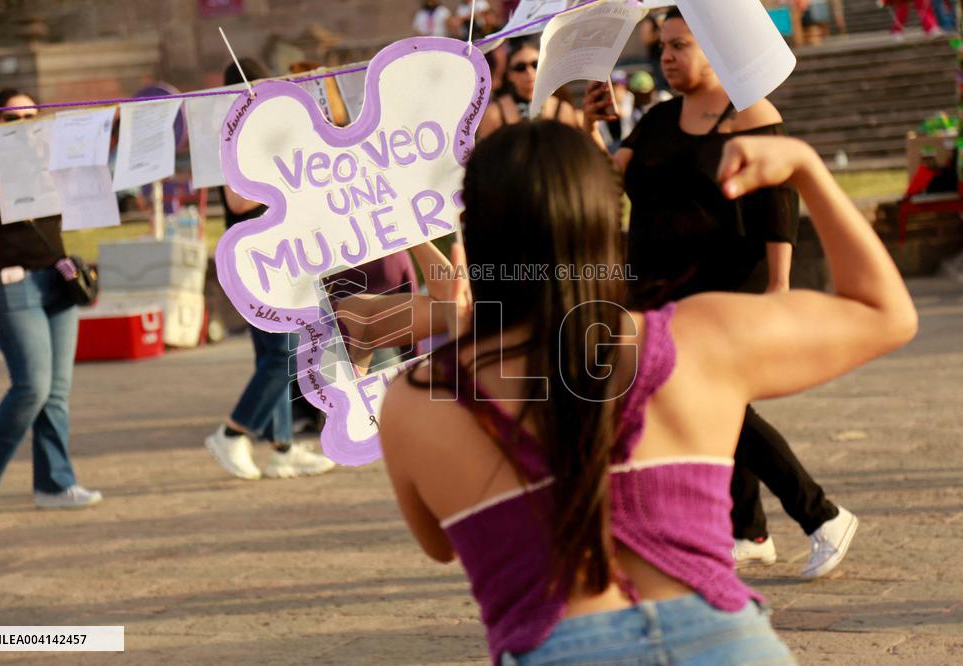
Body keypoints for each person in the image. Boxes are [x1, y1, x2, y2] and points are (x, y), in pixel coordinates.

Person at [378, 120, 916, 664]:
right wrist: (805, 168)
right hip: (730, 645)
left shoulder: (418, 400)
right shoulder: (699, 337)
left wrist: (466, 326)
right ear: (609, 226)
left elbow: (441, 542)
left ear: (476, 235)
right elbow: (885, 313)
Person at [582, 8, 858, 578]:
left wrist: (779, 286)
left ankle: (821, 515)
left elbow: (779, 204)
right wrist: (590, 125)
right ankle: (749, 529)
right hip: (656, 282)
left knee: (718, 398)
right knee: (719, 402)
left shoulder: (750, 114)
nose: (668, 57)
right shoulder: (657, 120)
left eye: (681, 45)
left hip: (728, 278)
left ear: (714, 48)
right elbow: (604, 181)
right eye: (662, 47)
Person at [0, 90, 103, 516]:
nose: (23, 123)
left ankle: (54, 484)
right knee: (33, 386)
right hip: (9, 285)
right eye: (11, 117)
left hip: (55, 284)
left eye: (30, 115)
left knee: (56, 392)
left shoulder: (49, 165)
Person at [205, 59, 337, 481]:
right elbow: (237, 202)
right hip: (255, 259)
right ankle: (232, 432)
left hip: (278, 253)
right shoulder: (231, 131)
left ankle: (282, 448)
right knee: (281, 356)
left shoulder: (261, 128)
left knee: (276, 354)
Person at [476, 38, 579, 140]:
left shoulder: (563, 110)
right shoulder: (494, 113)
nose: (529, 72)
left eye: (535, 65)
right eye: (520, 67)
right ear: (509, 75)